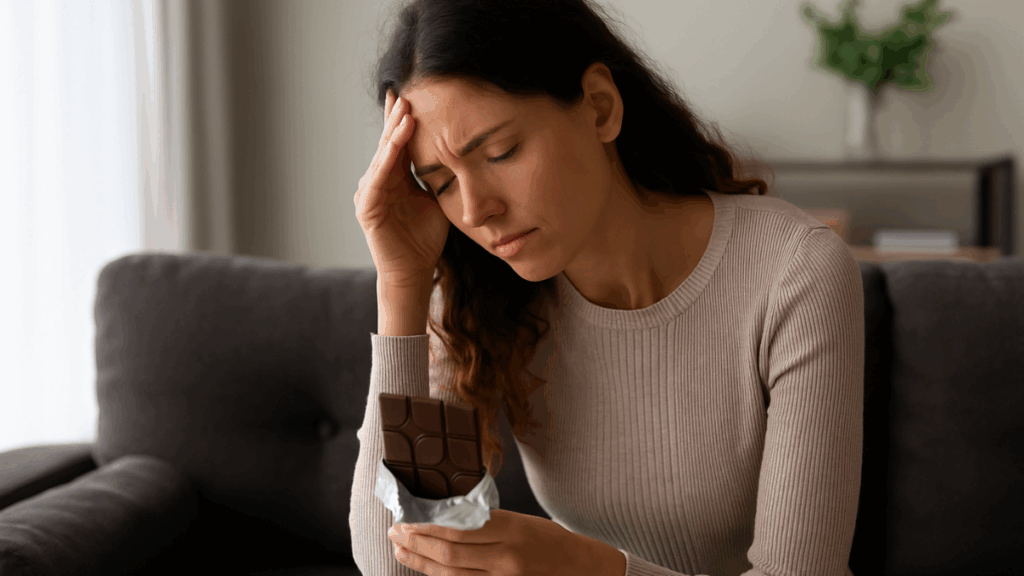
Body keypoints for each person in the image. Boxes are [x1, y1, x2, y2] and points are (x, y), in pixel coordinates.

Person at [350, 0, 864, 575]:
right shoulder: (480, 299)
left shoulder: (794, 272)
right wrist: (403, 283)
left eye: (500, 153)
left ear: (599, 107)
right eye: (442, 183)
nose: (477, 211)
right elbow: (396, 564)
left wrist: (589, 567)